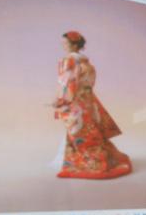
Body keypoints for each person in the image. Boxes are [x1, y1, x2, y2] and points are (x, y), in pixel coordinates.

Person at [53, 31, 132, 179]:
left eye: (65, 43)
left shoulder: (69, 60)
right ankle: (95, 158)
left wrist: (60, 100)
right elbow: (89, 82)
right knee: (89, 130)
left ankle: (81, 162)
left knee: (77, 132)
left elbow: (66, 82)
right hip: (88, 99)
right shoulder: (86, 62)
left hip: (74, 99)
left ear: (74, 45)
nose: (62, 46)